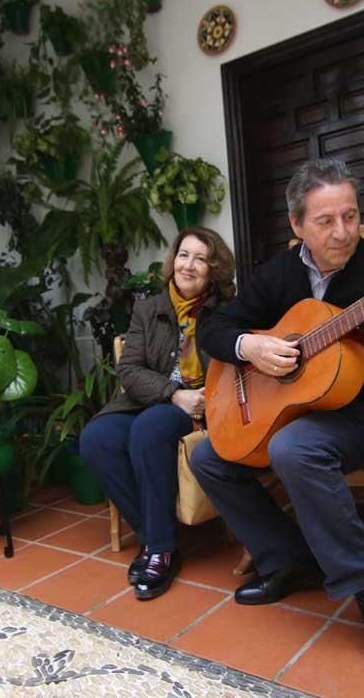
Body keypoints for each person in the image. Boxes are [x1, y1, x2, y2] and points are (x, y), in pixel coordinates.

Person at [191, 159, 364, 686]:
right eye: (326, 221)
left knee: (293, 448)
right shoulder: (279, 272)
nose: (343, 232)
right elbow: (215, 327)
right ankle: (286, 559)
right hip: (292, 412)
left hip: (362, 418)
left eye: (351, 216)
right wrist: (250, 347)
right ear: (297, 226)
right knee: (206, 455)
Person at [79, 227, 236, 600]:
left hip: (201, 406)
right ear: (173, 260)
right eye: (184, 255)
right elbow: (129, 370)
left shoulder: (227, 310)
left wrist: (192, 398)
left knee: (150, 428)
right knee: (95, 439)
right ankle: (158, 539)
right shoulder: (148, 308)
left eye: (200, 258)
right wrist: (172, 393)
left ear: (213, 268)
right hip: (151, 398)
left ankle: (160, 550)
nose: (189, 265)